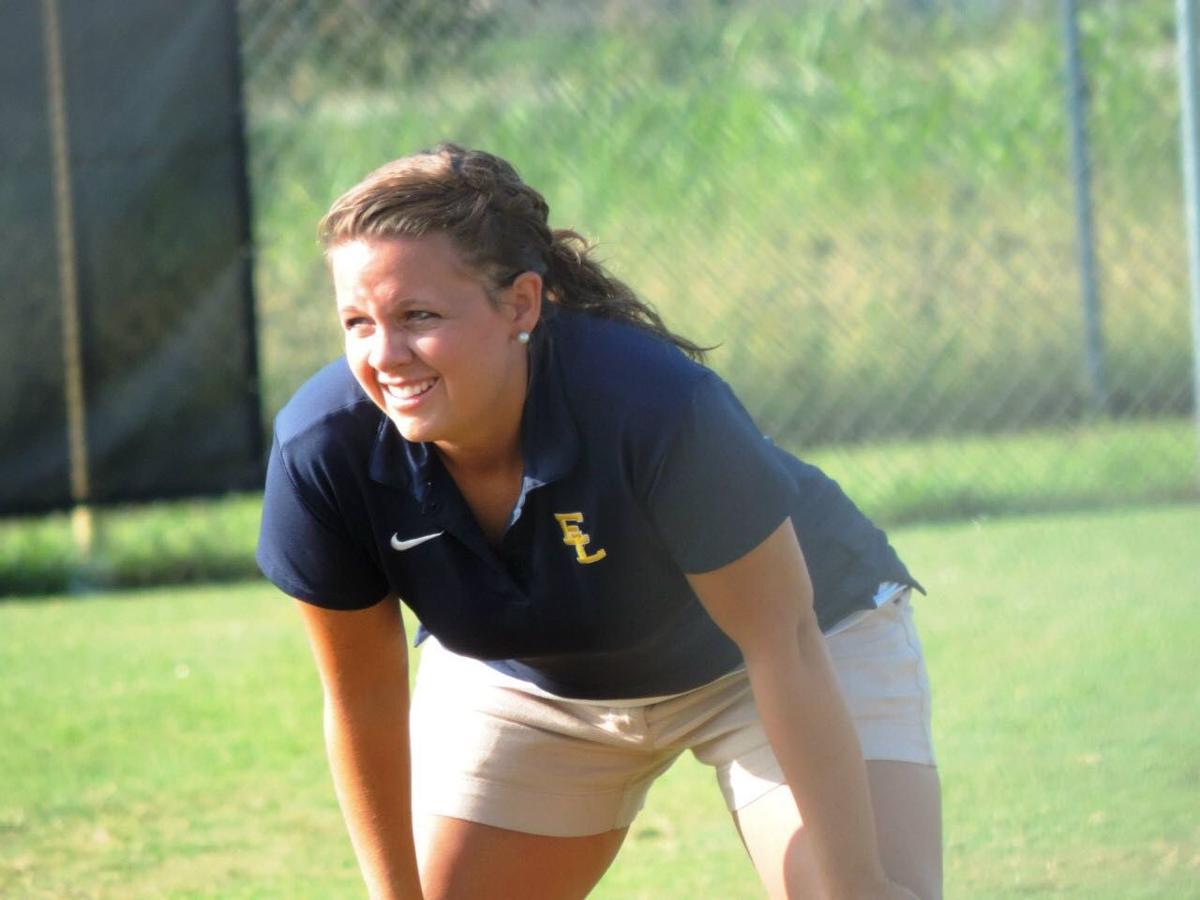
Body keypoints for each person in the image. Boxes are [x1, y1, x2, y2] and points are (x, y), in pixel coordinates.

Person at [256, 143, 941, 899]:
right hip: (535, 687)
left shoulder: (655, 407)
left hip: (777, 653)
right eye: (357, 321)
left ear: (520, 302)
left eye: (418, 315)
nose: (385, 355)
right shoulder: (324, 450)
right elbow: (366, 701)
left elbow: (785, 643)